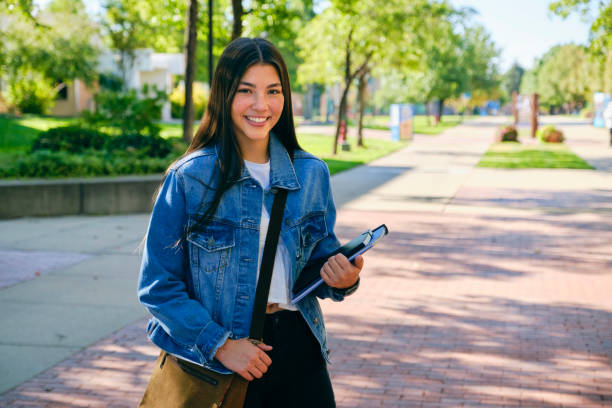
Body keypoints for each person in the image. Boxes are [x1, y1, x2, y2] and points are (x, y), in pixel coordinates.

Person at [137, 37, 363, 408]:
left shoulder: (311, 174)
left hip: (299, 350)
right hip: (221, 359)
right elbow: (157, 286)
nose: (261, 105)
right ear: (224, 96)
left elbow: (315, 264)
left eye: (273, 91)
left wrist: (342, 278)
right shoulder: (189, 179)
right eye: (246, 91)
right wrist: (222, 345)